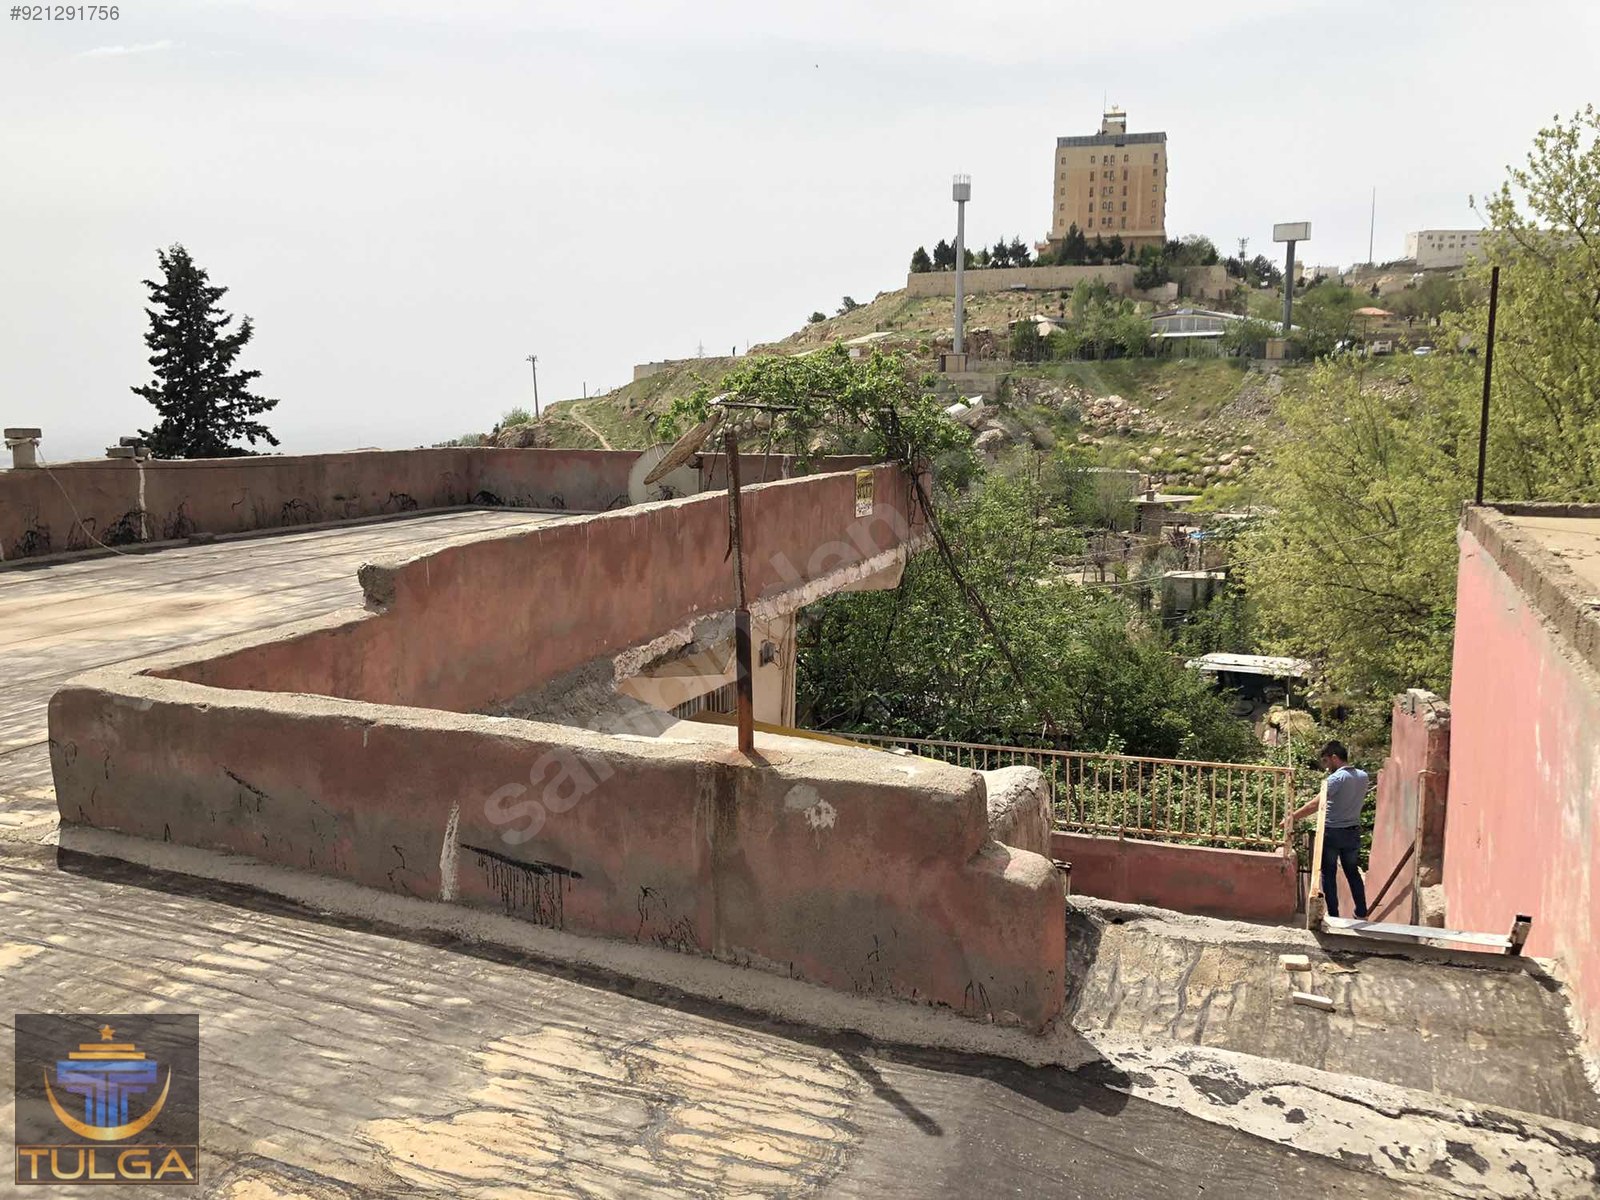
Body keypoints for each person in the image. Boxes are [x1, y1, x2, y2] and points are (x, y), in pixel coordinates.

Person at [1284, 740, 1370, 919]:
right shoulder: (1363, 776)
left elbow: (1315, 804)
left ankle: (1334, 915)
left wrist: (1291, 818)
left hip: (1332, 832)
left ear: (1334, 757)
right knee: (1352, 872)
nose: (1325, 767)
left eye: (1325, 761)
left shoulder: (1336, 779)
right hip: (1353, 831)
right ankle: (1361, 911)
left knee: (1328, 874)